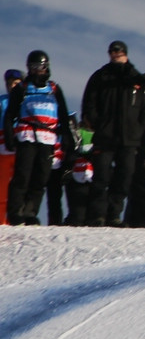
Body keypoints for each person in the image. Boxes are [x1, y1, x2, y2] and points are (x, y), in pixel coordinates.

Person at [81, 40, 145, 226]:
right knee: (101, 177)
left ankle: (114, 215)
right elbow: (89, 103)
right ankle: (97, 215)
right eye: (112, 51)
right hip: (105, 137)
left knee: (124, 176)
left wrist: (138, 129)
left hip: (129, 139)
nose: (115, 54)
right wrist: (98, 124)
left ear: (125, 53)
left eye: (118, 51)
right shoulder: (100, 76)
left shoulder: (136, 78)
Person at [3, 50, 74, 224]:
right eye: (34, 67)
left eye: (41, 67)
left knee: (40, 177)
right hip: (27, 135)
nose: (38, 70)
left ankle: (30, 212)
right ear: (29, 68)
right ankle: (15, 213)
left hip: (47, 138)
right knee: (23, 175)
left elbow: (63, 116)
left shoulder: (54, 89)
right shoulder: (22, 88)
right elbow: (10, 114)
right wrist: (9, 136)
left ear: (47, 67)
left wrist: (67, 138)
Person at [0, 68, 24, 225]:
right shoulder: (2, 101)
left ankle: (19, 217)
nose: (13, 86)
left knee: (20, 184)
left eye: (16, 83)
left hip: (22, 148)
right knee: (2, 187)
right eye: (10, 84)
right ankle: (2, 220)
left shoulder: (26, 100)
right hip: (3, 149)